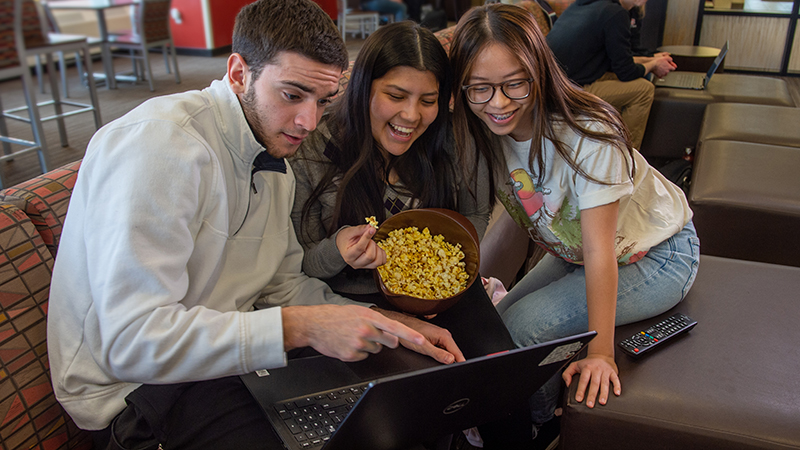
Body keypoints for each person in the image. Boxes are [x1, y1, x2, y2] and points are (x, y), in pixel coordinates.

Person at [46, 0, 464, 447]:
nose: (309, 121)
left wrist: (390, 322)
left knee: (409, 398)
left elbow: (282, 287)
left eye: (323, 101)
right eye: (292, 94)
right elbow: (131, 344)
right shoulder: (160, 146)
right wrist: (301, 326)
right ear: (239, 72)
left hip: (230, 366)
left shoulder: (273, 157)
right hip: (136, 398)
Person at [449, 2, 699, 443]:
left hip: (657, 252)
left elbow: (602, 251)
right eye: (480, 89)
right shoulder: (485, 131)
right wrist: (470, 299)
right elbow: (513, 221)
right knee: (496, 324)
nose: (499, 103)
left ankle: (542, 424)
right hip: (575, 249)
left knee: (522, 329)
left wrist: (601, 352)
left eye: (514, 85)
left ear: (539, 71)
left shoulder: (588, 131)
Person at [289, 20, 491, 301]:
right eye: (396, 96)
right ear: (363, 88)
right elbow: (302, 262)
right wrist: (338, 248)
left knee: (499, 346)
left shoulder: (455, 136)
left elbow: (476, 215)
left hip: (444, 289)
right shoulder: (312, 149)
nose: (411, 115)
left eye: (428, 101)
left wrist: (440, 276)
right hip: (351, 299)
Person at [544, 0, 677, 150]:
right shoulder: (615, 13)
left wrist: (653, 59)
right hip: (567, 91)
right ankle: (627, 155)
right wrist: (653, 64)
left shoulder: (585, 6)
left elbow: (618, 59)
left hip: (558, 82)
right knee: (644, 90)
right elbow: (626, 71)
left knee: (635, 81)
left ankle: (611, 144)